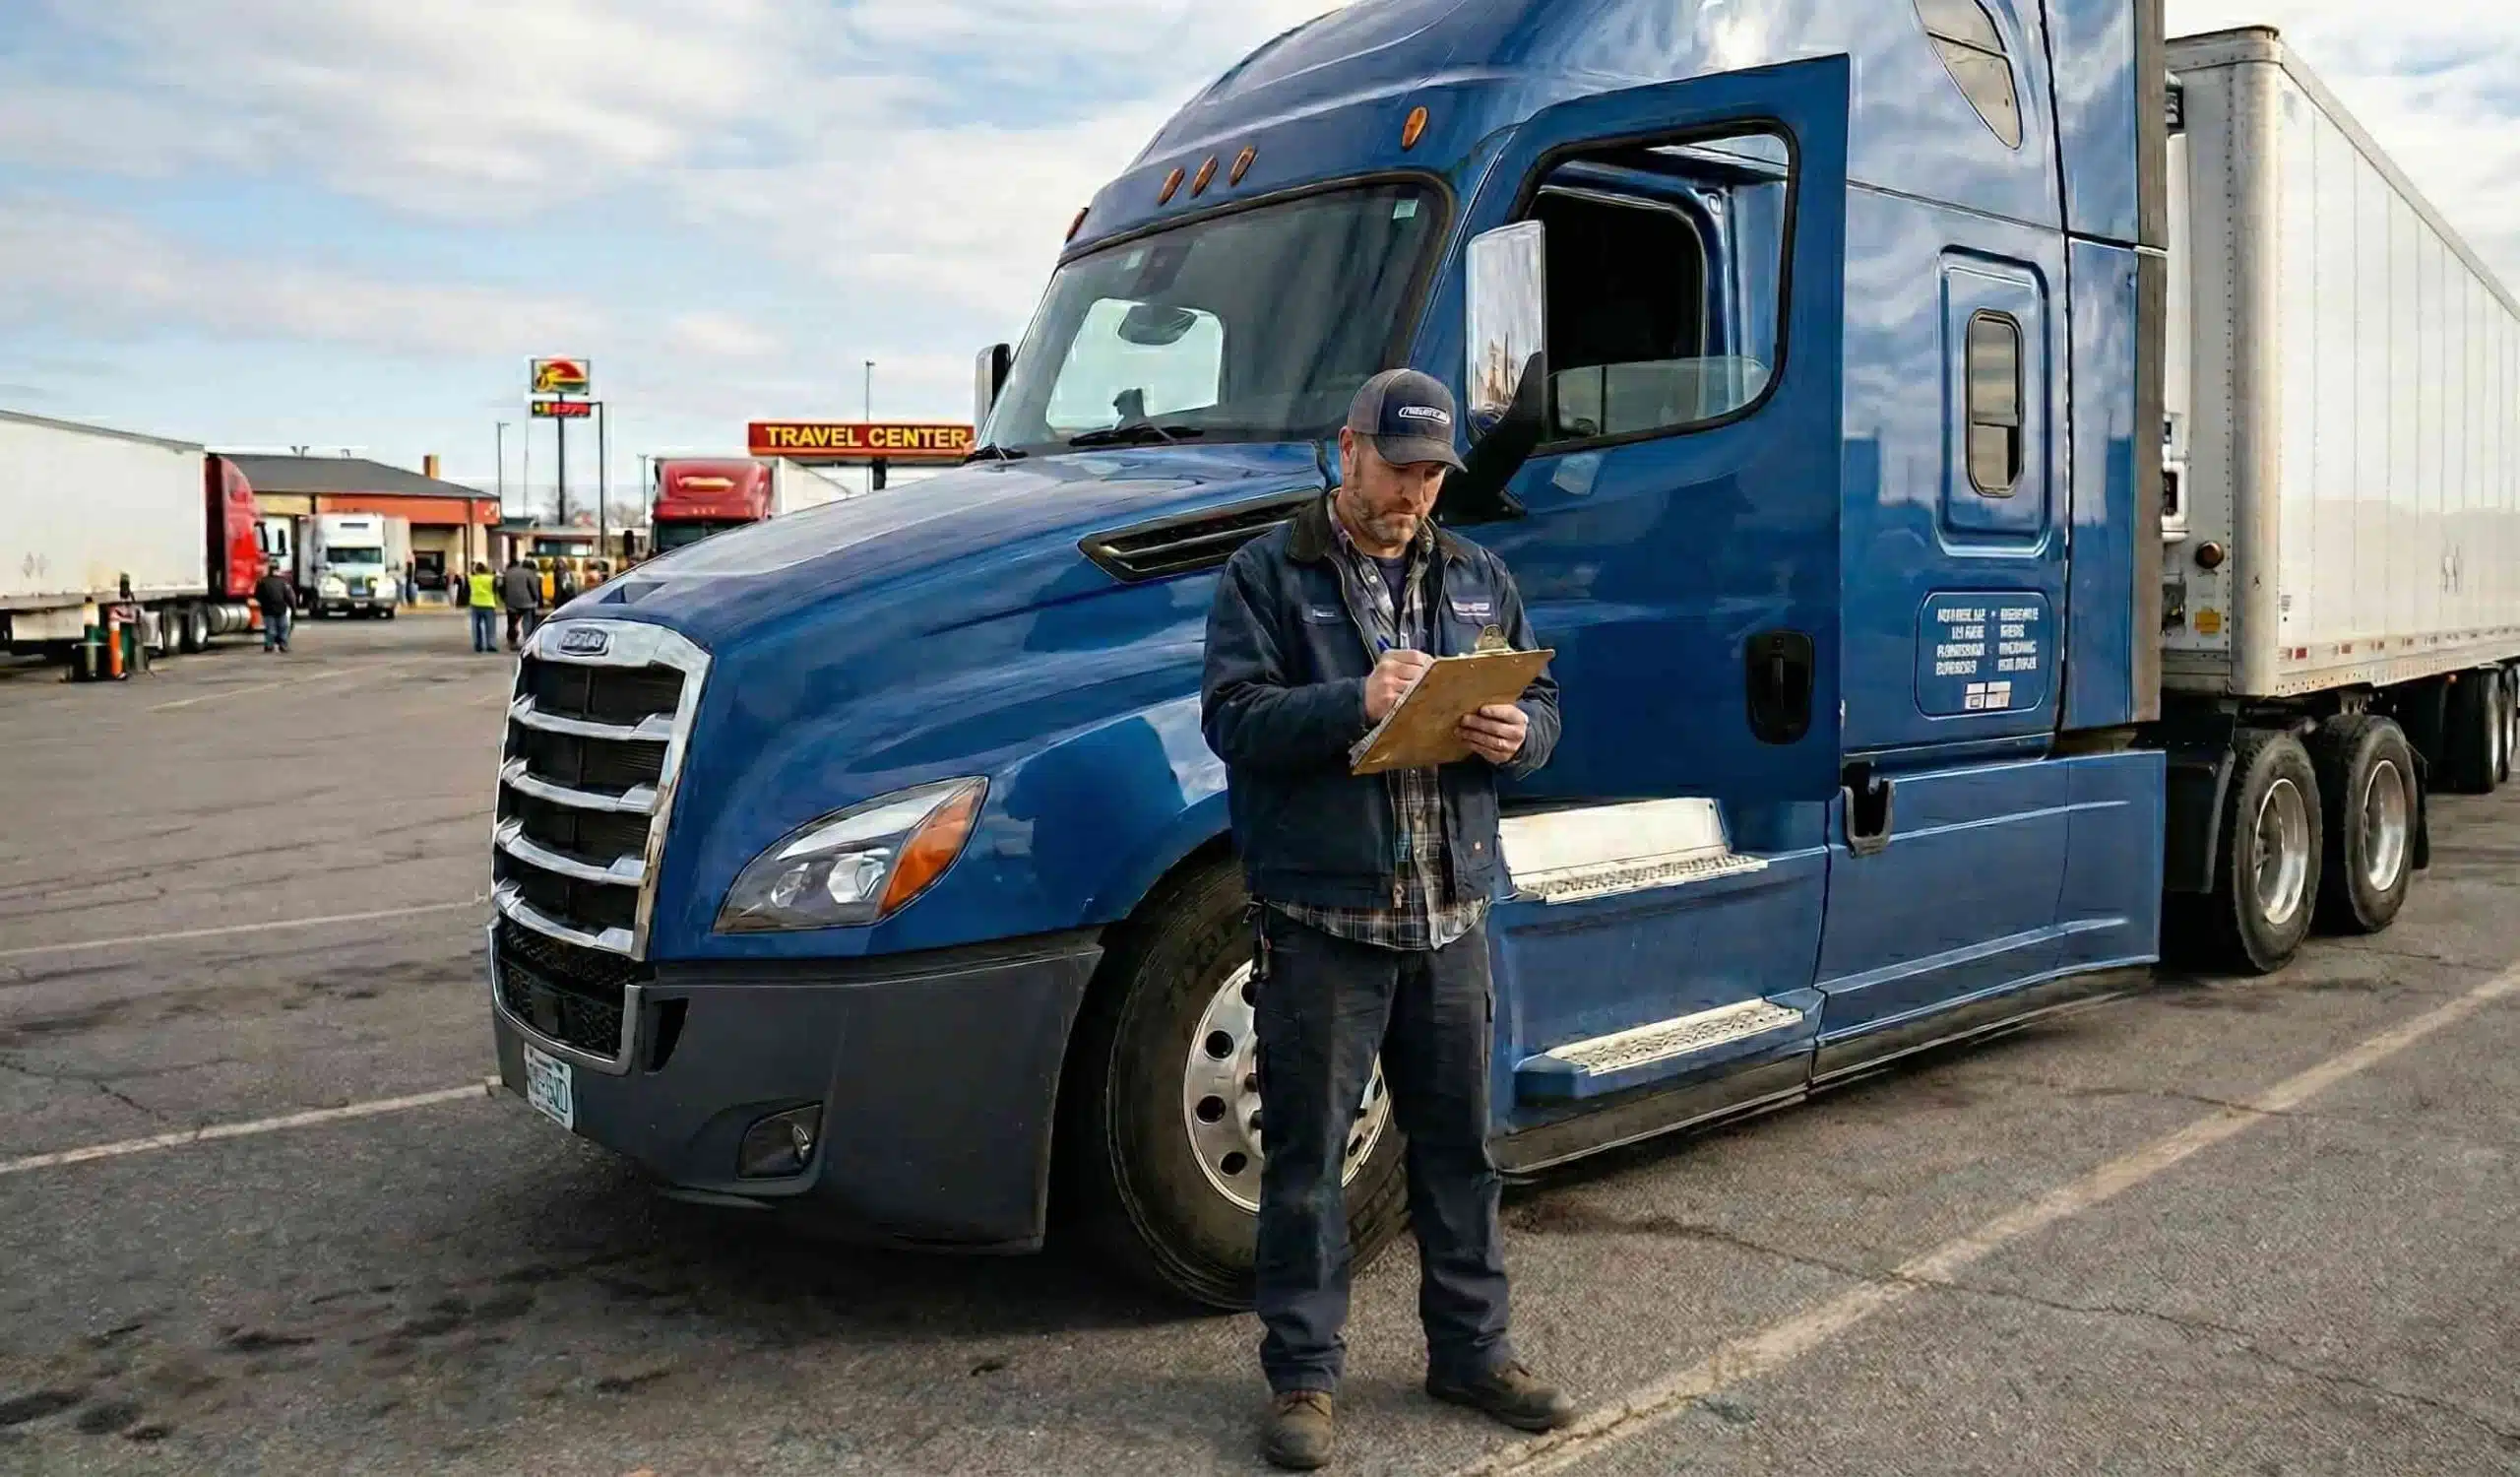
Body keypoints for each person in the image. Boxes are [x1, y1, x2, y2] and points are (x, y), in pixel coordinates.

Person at [1201, 369, 1570, 1470]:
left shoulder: (1478, 575)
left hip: (1450, 918)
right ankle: (1304, 1379)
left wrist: (1521, 735)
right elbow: (1232, 719)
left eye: (1432, 476)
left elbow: (1544, 705)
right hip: (1323, 923)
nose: (1414, 494)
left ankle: (1472, 1353)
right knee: (1308, 1163)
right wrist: (1352, 701)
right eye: (1399, 469)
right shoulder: (1268, 573)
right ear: (1348, 449)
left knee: (1459, 1154)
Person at [500, 556, 541, 652]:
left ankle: (512, 642)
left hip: (511, 603)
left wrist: (505, 599)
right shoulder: (528, 573)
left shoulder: (507, 573)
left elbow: (502, 588)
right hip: (527, 602)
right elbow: (533, 587)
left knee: (512, 623)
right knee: (527, 622)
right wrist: (536, 598)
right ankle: (527, 641)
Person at [253, 563, 295, 654]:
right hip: (280, 609)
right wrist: (293, 608)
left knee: (271, 629)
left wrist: (263, 603)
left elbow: (257, 595)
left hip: (268, 609)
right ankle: (282, 645)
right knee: (283, 628)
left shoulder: (262, 581)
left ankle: (269, 646)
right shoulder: (283, 581)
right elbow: (289, 596)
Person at [465, 562, 500, 655]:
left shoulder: (472, 579)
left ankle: (478, 645)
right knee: (490, 626)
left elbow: (467, 590)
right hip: (489, 604)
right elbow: (495, 590)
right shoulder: (491, 578)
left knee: (476, 626)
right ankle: (491, 645)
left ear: (476, 570)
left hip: (475, 603)